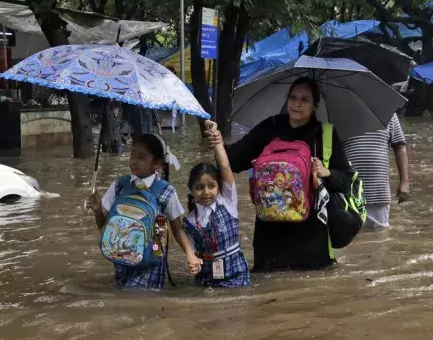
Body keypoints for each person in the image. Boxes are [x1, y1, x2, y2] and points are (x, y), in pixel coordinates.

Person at [205, 77, 355, 272]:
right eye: (293, 97)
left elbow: (348, 181)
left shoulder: (325, 135)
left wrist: (328, 173)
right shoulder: (270, 127)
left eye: (304, 99)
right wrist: (218, 142)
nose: (297, 104)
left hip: (311, 241)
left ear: (314, 106)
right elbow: (235, 160)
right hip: (269, 241)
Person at [86, 134, 201, 289]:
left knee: (135, 300)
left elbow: (176, 228)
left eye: (141, 157)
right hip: (122, 260)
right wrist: (97, 209)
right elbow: (104, 228)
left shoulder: (166, 191)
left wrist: (190, 254)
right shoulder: (120, 185)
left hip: (152, 264)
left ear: (157, 163)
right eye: (132, 155)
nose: (133, 161)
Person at [182, 120, 250, 287]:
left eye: (211, 186)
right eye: (200, 187)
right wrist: (192, 266)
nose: (206, 192)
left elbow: (225, 167)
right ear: (191, 190)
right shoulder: (190, 222)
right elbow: (191, 255)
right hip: (207, 280)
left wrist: (217, 141)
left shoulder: (227, 201)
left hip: (237, 276)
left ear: (219, 188)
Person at [342, 114, 409, 229]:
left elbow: (400, 148)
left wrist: (404, 180)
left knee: (380, 240)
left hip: (378, 193)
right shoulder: (340, 115)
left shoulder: (388, 114)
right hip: (349, 192)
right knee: (352, 238)